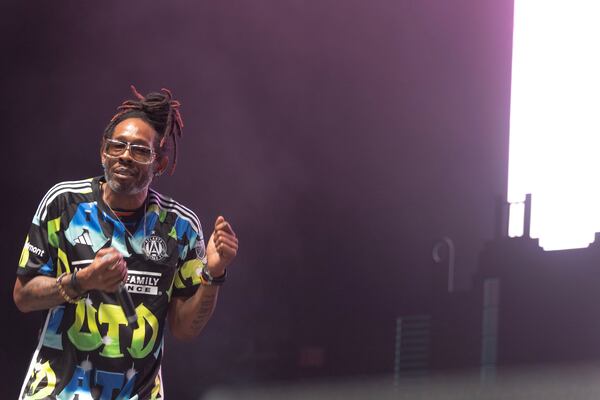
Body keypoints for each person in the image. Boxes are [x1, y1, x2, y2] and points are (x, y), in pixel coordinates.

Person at [13, 86, 238, 399]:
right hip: (58, 392)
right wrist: (83, 281)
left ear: (159, 164)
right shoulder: (63, 205)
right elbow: (23, 296)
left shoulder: (179, 227)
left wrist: (214, 274)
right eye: (117, 146)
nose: (125, 156)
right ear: (103, 152)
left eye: (140, 150)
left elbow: (184, 329)